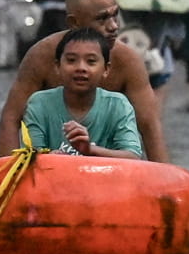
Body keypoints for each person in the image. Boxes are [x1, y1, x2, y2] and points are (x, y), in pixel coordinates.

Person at [0, 0, 168, 161]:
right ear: (74, 23)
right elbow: (10, 119)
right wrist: (9, 180)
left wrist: (166, 185)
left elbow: (150, 127)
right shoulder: (41, 56)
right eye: (102, 19)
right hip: (53, 168)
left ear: (106, 68)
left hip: (111, 168)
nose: (114, 26)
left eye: (115, 15)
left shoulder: (128, 61)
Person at [19, 28, 142, 158]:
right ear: (57, 66)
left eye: (91, 61)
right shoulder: (40, 103)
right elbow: (30, 158)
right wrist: (50, 158)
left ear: (106, 69)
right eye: (71, 60)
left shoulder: (117, 105)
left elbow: (133, 156)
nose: (81, 68)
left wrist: (89, 150)